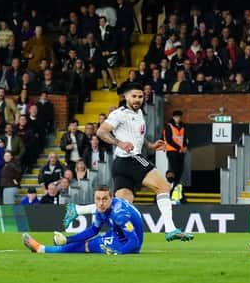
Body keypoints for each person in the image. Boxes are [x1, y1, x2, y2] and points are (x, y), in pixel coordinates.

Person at [93, 82, 192, 241]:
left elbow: (136, 136)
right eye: (134, 96)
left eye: (140, 96)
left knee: (122, 207)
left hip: (120, 164)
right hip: (131, 159)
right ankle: (170, 228)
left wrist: (150, 145)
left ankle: (91, 221)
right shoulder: (120, 114)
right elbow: (101, 131)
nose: (138, 99)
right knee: (164, 186)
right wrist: (120, 143)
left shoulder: (139, 114)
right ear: (125, 97)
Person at [23, 185, 143, 255]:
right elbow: (92, 231)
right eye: (98, 199)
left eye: (105, 199)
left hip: (127, 243)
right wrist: (67, 239)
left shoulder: (119, 215)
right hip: (118, 234)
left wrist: (118, 253)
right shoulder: (101, 209)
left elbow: (134, 242)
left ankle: (42, 249)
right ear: (94, 199)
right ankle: (47, 248)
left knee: (89, 245)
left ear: (111, 198)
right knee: (93, 240)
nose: (101, 203)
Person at [163, 110, 188, 203]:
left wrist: (185, 146)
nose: (178, 119)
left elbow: (184, 138)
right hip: (172, 151)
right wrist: (179, 147)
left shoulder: (183, 126)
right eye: (177, 117)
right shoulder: (168, 126)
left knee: (180, 171)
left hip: (180, 152)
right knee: (174, 171)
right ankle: (169, 192)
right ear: (173, 117)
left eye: (180, 117)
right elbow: (169, 139)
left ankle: (176, 192)